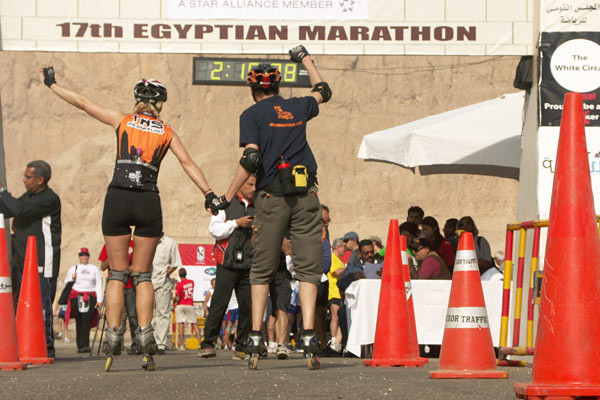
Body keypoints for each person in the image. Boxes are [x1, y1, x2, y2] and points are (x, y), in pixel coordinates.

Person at [42, 65, 218, 371]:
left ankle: (112, 335)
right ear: (160, 105)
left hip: (118, 197)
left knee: (117, 275)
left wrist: (52, 84)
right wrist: (209, 193)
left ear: (137, 101)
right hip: (148, 200)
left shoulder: (122, 121)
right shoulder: (166, 131)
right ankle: (146, 334)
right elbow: (187, 162)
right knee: (144, 275)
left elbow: (83, 102)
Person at [212, 44, 332, 370]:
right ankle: (308, 334)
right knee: (308, 268)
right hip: (306, 195)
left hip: (271, 197)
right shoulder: (297, 106)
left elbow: (251, 157)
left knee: (262, 268)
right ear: (278, 86)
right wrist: (304, 59)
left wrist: (226, 197)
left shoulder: (251, 115)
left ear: (253, 89)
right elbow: (324, 90)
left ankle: (254, 337)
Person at [0, 160, 61, 358]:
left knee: (41, 305)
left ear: (40, 180)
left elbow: (17, 209)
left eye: (28, 177)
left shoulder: (49, 199)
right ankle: (26, 345)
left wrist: (2, 191)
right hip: (22, 260)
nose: (24, 180)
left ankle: (46, 348)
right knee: (22, 304)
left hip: (42, 261)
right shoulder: (29, 197)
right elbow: (11, 209)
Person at [199, 175, 255, 361]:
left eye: (255, 184)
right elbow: (215, 230)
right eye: (249, 184)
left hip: (249, 263)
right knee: (219, 303)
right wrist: (236, 223)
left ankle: (242, 347)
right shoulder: (225, 203)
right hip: (227, 263)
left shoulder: (259, 206)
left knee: (247, 306)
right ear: (239, 185)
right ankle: (207, 344)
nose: (253, 188)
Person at [99, 241, 139, 355]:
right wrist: (113, 257)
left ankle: (136, 344)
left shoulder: (133, 244)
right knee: (117, 318)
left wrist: (131, 267)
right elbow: (102, 266)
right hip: (116, 287)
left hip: (131, 286)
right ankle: (116, 344)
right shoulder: (108, 244)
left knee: (133, 316)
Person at [64, 247, 103, 353]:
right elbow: (66, 282)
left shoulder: (94, 268)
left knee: (87, 319)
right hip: (76, 295)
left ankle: (86, 344)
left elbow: (98, 284)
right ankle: (80, 345)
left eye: (86, 255)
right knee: (79, 319)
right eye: (82, 255)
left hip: (90, 295)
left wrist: (100, 300)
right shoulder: (74, 268)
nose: (84, 257)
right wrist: (72, 278)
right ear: (79, 257)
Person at [151, 233, 181, 354]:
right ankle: (148, 341)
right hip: (147, 281)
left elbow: (175, 263)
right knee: (148, 314)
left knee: (162, 313)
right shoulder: (148, 239)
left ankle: (161, 344)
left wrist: (165, 274)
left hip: (162, 282)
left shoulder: (170, 242)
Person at [175, 268, 201, 350]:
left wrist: (174, 299)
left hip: (181, 305)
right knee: (195, 324)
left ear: (179, 275)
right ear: (186, 274)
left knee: (181, 325)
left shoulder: (179, 284)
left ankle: (182, 345)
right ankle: (200, 343)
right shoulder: (191, 282)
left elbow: (178, 298)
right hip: (189, 304)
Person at [327, 238, 345, 353]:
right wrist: (347, 268)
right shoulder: (332, 257)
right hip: (334, 291)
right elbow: (336, 272)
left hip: (340, 291)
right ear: (337, 247)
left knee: (339, 317)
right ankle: (333, 339)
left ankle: (337, 340)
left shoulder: (339, 259)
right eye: (343, 247)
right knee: (335, 316)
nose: (345, 249)